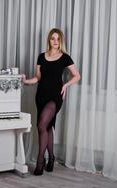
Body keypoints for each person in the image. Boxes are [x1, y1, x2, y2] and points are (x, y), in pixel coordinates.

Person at [22, 28, 81, 176]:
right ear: (49, 40)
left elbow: (77, 76)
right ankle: (52, 157)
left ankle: (40, 161)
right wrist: (26, 81)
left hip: (55, 96)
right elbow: (38, 77)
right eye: (52, 38)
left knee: (41, 124)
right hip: (41, 95)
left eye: (58, 39)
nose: (55, 41)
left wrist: (66, 85)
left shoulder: (65, 57)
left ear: (61, 41)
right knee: (47, 127)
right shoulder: (42, 56)